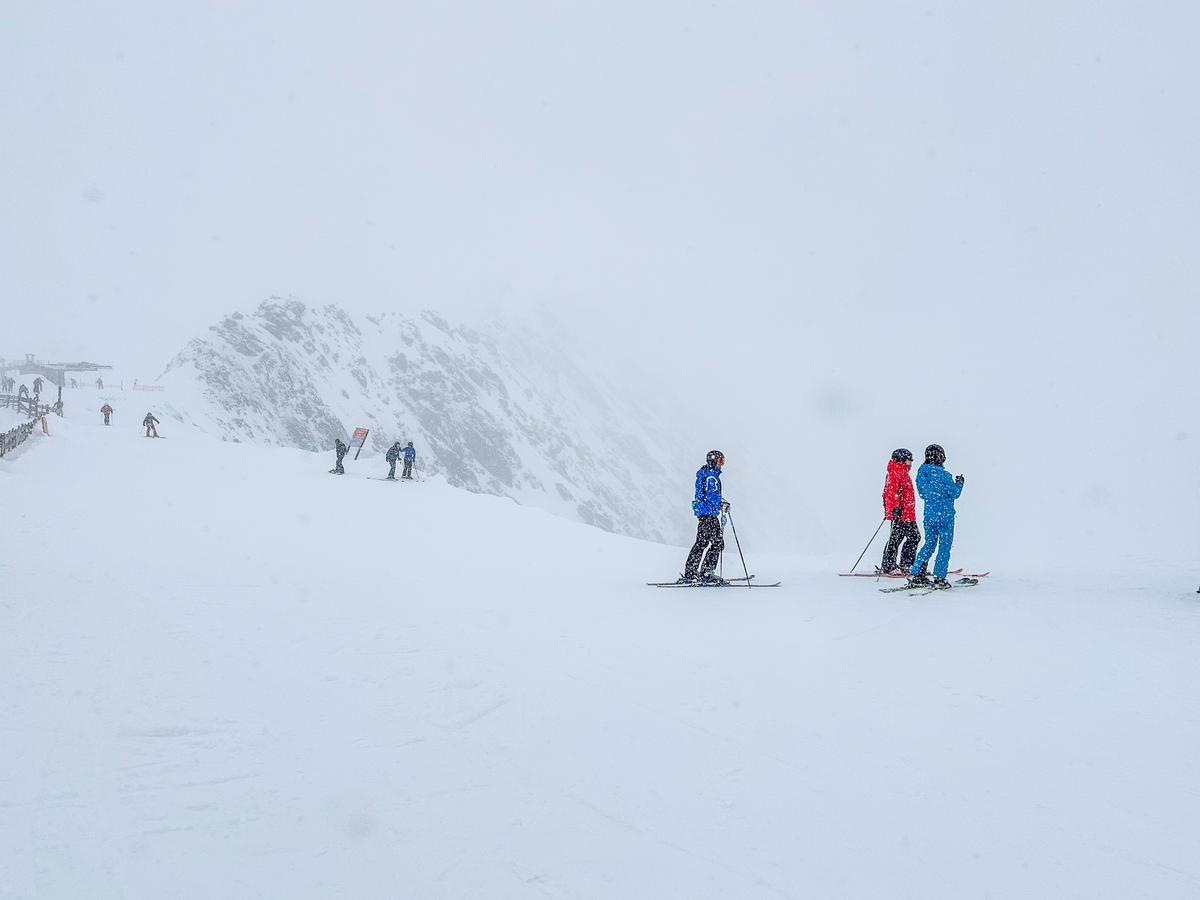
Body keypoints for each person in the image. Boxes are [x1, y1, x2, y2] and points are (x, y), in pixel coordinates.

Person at [908, 444, 965, 589]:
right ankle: (939, 577)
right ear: (940, 457)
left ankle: (916, 573)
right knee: (944, 547)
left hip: (929, 516)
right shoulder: (944, 476)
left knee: (929, 545)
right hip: (945, 516)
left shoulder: (921, 474)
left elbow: (922, 494)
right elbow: (955, 493)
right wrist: (959, 483)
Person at [679, 450, 729, 584]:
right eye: (720, 461)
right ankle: (706, 572)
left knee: (702, 542)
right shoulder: (711, 477)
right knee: (717, 543)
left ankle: (691, 572)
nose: (721, 464)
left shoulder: (705, 474)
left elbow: (706, 495)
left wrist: (720, 502)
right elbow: (712, 496)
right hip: (709, 514)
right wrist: (721, 503)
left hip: (705, 513)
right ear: (714, 461)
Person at [879, 448, 920, 575]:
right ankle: (890, 566)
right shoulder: (895, 472)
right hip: (901, 514)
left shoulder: (902, 473)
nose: (911, 463)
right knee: (899, 538)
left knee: (911, 537)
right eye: (909, 460)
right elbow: (890, 493)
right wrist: (894, 509)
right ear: (902, 460)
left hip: (907, 514)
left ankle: (905, 564)